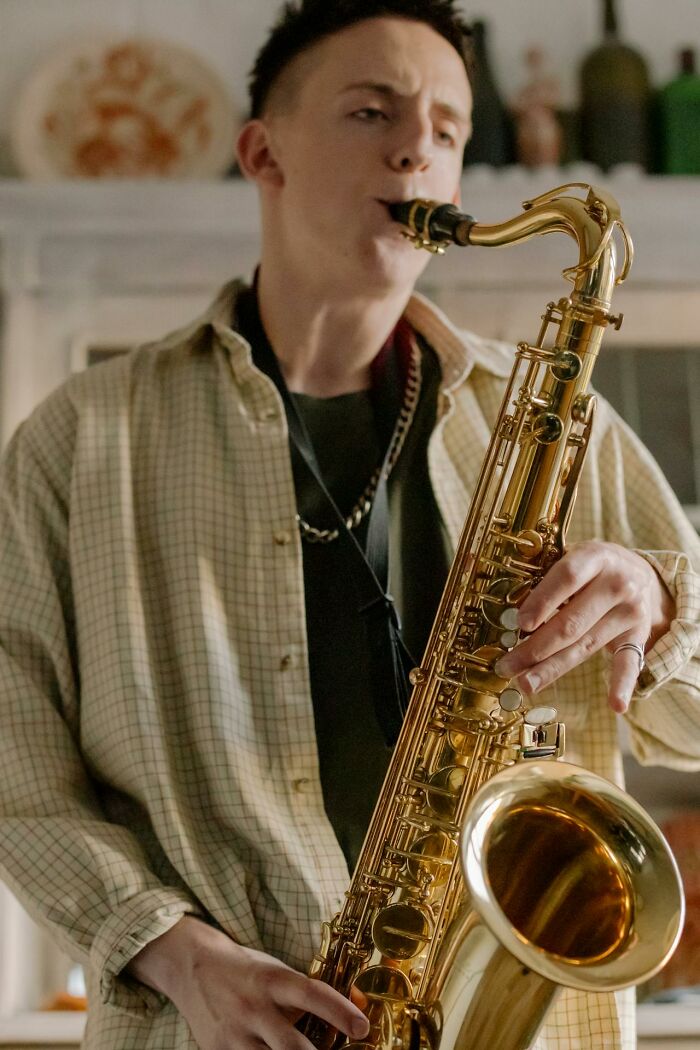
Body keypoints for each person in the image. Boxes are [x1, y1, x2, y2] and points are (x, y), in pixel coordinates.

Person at [0, 2, 698, 1048]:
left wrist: (658, 602)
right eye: (372, 110)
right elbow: (16, 770)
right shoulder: (82, 438)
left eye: (449, 129)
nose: (417, 145)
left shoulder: (566, 425)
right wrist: (174, 953)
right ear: (261, 152)